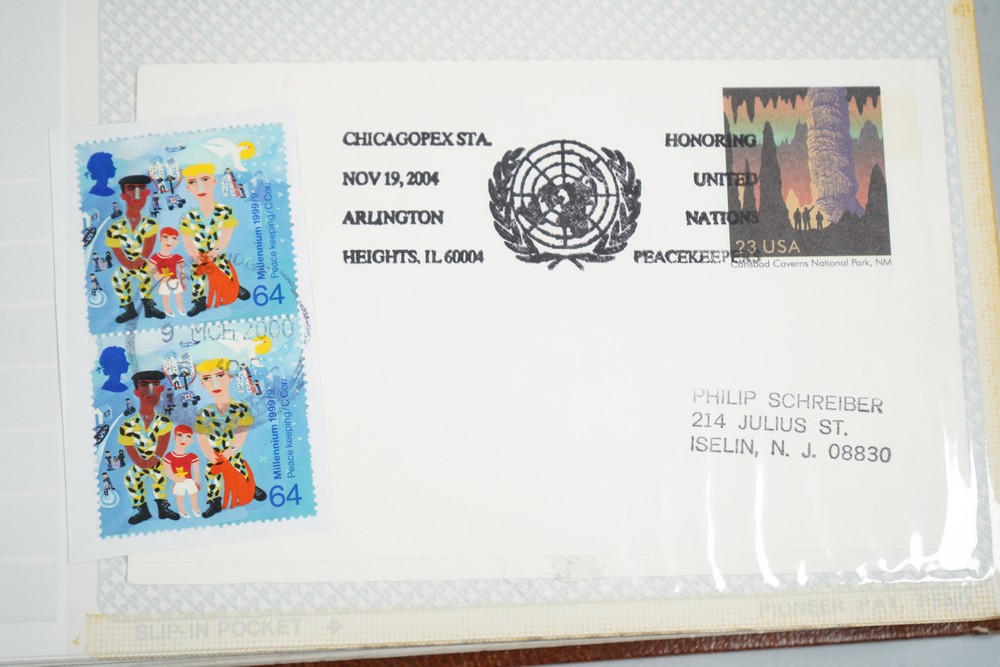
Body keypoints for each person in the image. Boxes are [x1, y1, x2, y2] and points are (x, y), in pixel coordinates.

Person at [193, 358, 265, 518]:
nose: (215, 383)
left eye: (219, 376)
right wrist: (210, 455)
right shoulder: (204, 414)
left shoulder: (240, 407)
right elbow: (202, 438)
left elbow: (242, 431)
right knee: (211, 471)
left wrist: (232, 449)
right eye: (207, 378)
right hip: (215, 455)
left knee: (238, 465)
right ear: (203, 384)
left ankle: (250, 487)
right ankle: (214, 501)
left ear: (229, 377)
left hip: (233, 451)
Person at [179, 164, 250, 317]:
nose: (200, 187)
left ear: (214, 181)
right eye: (192, 182)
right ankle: (199, 301)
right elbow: (187, 239)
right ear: (188, 188)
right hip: (200, 256)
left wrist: (216, 250)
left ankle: (234, 287)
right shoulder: (188, 217)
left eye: (204, 180)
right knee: (196, 273)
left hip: (217, 253)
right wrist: (194, 254)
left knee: (223, 266)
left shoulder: (224, 211)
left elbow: (226, 233)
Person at [119, 370, 180, 524]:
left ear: (160, 389)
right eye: (144, 385)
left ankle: (163, 508)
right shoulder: (127, 425)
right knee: (131, 479)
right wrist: (141, 462)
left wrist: (155, 459)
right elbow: (129, 447)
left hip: (156, 461)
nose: (150, 390)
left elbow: (162, 444)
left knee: (160, 477)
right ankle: (142, 511)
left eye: (155, 385)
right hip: (139, 462)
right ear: (136, 392)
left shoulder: (164, 422)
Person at [105, 175, 166, 323]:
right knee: (117, 279)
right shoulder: (114, 228)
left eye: (141, 189)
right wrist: (128, 263)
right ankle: (129, 309)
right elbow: (116, 249)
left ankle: (149, 307)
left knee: (146, 278)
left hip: (142, 262)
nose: (137, 194)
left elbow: (149, 245)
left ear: (146, 193)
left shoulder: (150, 224)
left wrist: (141, 260)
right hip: (127, 263)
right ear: (123, 196)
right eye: (131, 189)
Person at [162, 424, 202, 518]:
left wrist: (196, 479)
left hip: (189, 480)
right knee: (179, 495)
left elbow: (196, 471)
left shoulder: (192, 456)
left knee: (193, 493)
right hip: (178, 480)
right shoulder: (169, 456)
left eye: (188, 436)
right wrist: (175, 478)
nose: (184, 439)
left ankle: (195, 507)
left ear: (191, 440)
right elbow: (168, 471)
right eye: (180, 435)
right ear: (174, 437)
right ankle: (181, 510)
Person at [147, 227, 187, 317]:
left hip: (174, 280)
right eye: (166, 237)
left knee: (178, 293)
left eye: (174, 238)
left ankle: (180, 307)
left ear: (177, 242)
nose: (169, 241)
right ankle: (167, 309)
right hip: (164, 281)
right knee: (165, 295)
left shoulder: (177, 257)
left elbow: (182, 270)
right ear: (160, 239)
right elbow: (153, 270)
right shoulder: (155, 257)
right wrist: (162, 279)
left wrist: (182, 281)